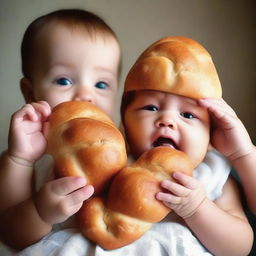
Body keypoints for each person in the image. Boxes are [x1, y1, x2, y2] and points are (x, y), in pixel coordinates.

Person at [17, 36, 254, 256]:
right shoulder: (93, 164)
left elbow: (240, 247)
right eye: (150, 108)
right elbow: (16, 236)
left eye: (188, 115)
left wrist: (199, 206)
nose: (167, 120)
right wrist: (42, 211)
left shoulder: (211, 175)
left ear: (211, 134)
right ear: (124, 122)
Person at [0, 8, 121, 251]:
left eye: (101, 84)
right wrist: (39, 211)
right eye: (64, 80)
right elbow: (9, 234)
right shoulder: (27, 159)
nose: (85, 95)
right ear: (31, 93)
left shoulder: (125, 147)